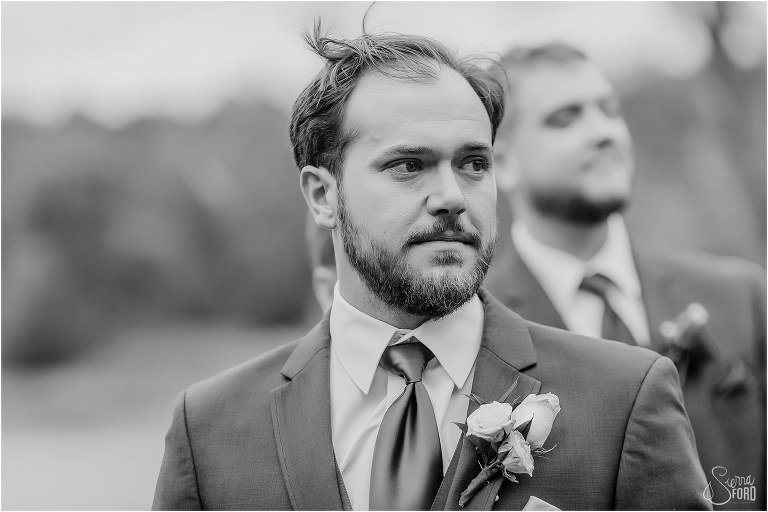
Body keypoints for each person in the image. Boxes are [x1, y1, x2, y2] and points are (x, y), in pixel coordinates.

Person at [153, 26, 710, 510]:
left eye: (473, 163)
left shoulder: (625, 398)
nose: (451, 196)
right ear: (323, 195)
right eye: (408, 165)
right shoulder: (209, 430)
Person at [484, 43, 765, 510]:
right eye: (565, 118)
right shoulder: (479, 331)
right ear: (502, 162)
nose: (604, 132)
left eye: (609, 110)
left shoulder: (743, 298)